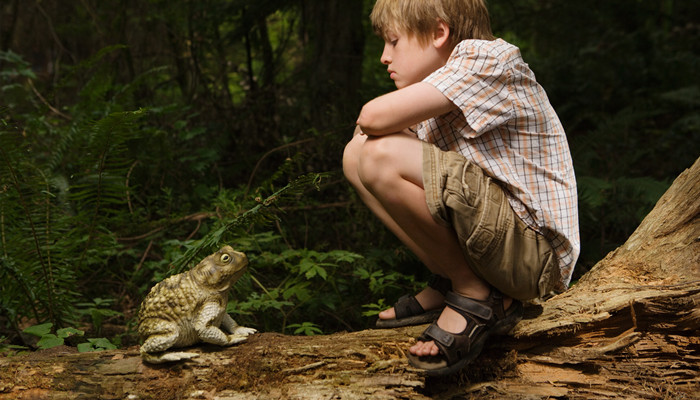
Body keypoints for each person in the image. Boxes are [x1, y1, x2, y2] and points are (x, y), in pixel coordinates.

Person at [342, 0, 580, 376]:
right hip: (502, 246)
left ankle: (475, 294)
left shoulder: (485, 58)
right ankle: (455, 280)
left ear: (439, 33)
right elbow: (364, 134)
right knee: (356, 154)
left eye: (393, 41)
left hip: (535, 256)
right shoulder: (438, 96)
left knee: (377, 153)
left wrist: (378, 132)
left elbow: (372, 118)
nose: (384, 57)